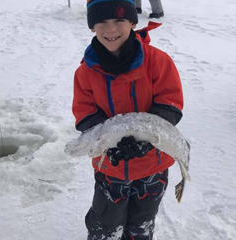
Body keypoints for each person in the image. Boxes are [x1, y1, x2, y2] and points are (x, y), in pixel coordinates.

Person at [72, 0, 184, 239]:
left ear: (133, 22)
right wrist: (108, 144)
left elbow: (170, 105)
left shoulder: (158, 61)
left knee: (141, 224)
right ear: (92, 26)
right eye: (101, 22)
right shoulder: (85, 71)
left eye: (119, 20)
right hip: (109, 167)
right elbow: (85, 113)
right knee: (105, 224)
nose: (110, 29)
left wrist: (147, 140)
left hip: (153, 165)